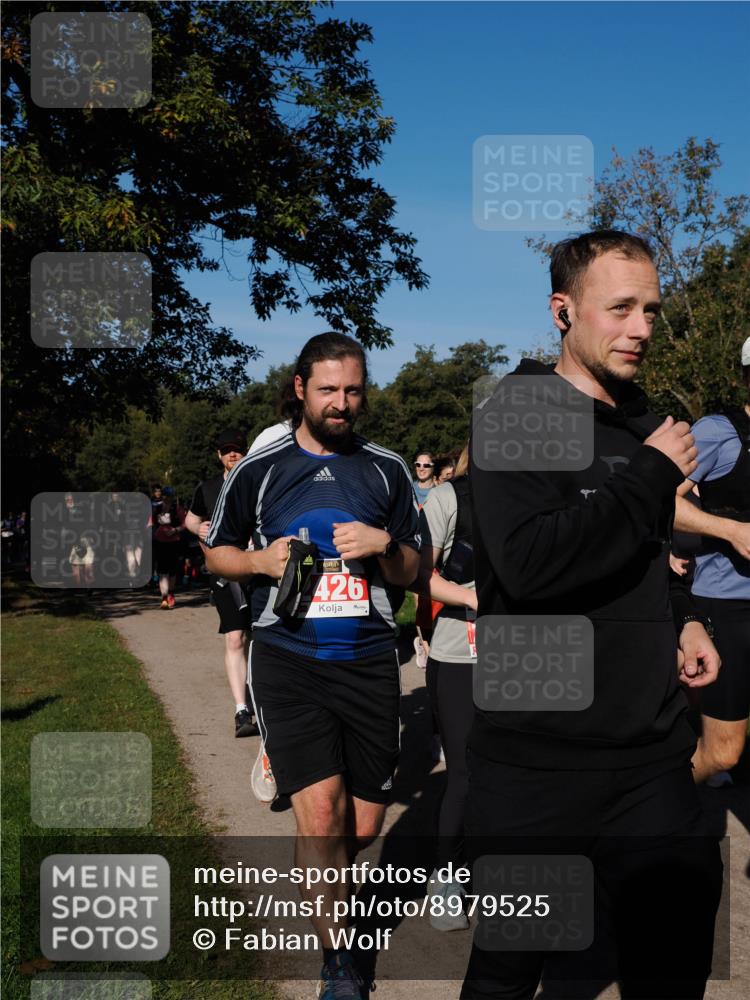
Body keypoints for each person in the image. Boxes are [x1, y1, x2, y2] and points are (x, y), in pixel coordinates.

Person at [463, 231, 723, 999]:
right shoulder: (520, 409)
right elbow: (531, 565)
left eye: (650, 309)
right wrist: (649, 477)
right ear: (563, 311)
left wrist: (683, 614)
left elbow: (647, 548)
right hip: (538, 766)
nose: (642, 327)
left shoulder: (648, 424)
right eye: (620, 309)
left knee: (673, 966)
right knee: (509, 974)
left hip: (652, 759)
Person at [205, 332, 420, 1000]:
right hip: (289, 662)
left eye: (353, 390)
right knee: (322, 819)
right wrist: (261, 562)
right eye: (328, 389)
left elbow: (418, 567)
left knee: (357, 829)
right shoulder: (260, 469)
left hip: (368, 665)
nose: (342, 403)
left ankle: (327, 881)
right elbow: (217, 553)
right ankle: (338, 963)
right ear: (300, 388)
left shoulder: (387, 470)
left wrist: (387, 547)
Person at [673, 336, 750, 785]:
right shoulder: (718, 432)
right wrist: (731, 530)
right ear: (744, 377)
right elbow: (659, 498)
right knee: (723, 754)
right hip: (729, 607)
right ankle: (654, 811)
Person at [419, 443, 477, 931]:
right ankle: (446, 880)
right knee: (464, 772)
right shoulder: (448, 499)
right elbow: (417, 575)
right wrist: (471, 597)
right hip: (461, 652)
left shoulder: (539, 495)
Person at [186, 428, 259, 739]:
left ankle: (265, 697)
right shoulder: (209, 488)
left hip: (258, 569)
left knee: (261, 636)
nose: (233, 454)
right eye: (227, 450)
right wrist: (198, 529)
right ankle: (242, 709)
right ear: (219, 455)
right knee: (234, 638)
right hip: (224, 573)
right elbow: (190, 519)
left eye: (237, 449)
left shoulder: (257, 482)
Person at [152, 487, 186, 609]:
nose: (166, 498)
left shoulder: (177, 509)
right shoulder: (157, 509)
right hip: (160, 542)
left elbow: (185, 524)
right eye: (165, 495)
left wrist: (175, 530)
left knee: (172, 572)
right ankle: (164, 598)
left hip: (174, 542)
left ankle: (171, 594)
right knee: (162, 572)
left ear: (172, 497)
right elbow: (150, 522)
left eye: (169, 495)